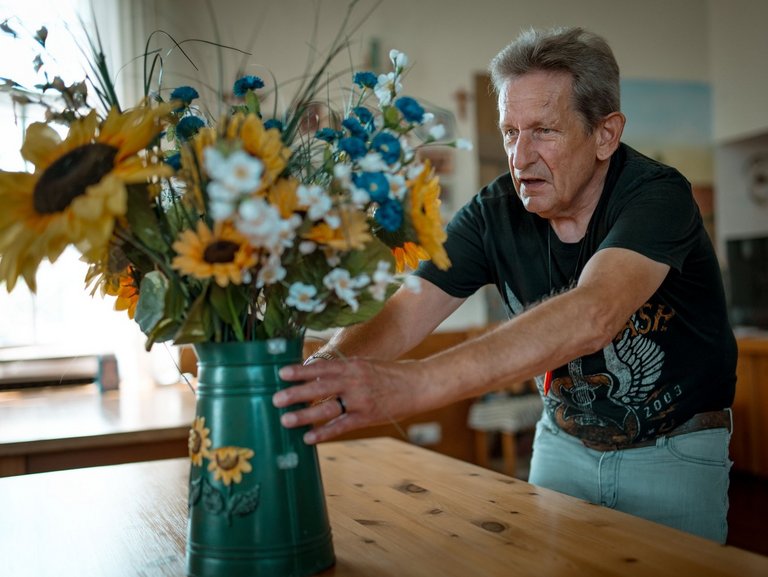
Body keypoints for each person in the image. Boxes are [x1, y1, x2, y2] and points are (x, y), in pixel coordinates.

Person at [272, 26, 737, 543]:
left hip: (674, 453)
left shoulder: (659, 196)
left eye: (544, 131)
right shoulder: (493, 212)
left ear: (605, 134)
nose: (520, 157)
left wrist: (411, 386)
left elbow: (594, 313)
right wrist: (321, 372)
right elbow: (404, 314)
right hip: (562, 445)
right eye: (511, 132)